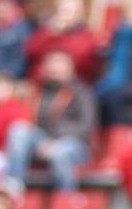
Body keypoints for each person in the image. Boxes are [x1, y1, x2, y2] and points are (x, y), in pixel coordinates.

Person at [6, 50, 95, 191]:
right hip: (44, 140)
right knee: (18, 130)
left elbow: (85, 127)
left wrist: (54, 142)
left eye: (59, 64)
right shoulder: (40, 91)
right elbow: (35, 123)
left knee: (60, 152)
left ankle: (65, 201)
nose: (55, 68)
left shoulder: (82, 92)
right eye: (52, 64)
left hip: (75, 144)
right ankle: (13, 187)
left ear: (70, 68)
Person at [24, 0, 100, 83]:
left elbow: (83, 62)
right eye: (63, 9)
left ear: (80, 13)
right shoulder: (47, 30)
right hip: (40, 84)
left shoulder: (86, 37)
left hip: (69, 87)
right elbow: (31, 51)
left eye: (71, 10)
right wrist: (51, 32)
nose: (66, 15)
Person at [0, 0, 29, 79]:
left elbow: (20, 60)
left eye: (4, 12)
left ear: (15, 13)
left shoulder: (22, 32)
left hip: (10, 78)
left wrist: (5, 75)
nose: (0, 15)